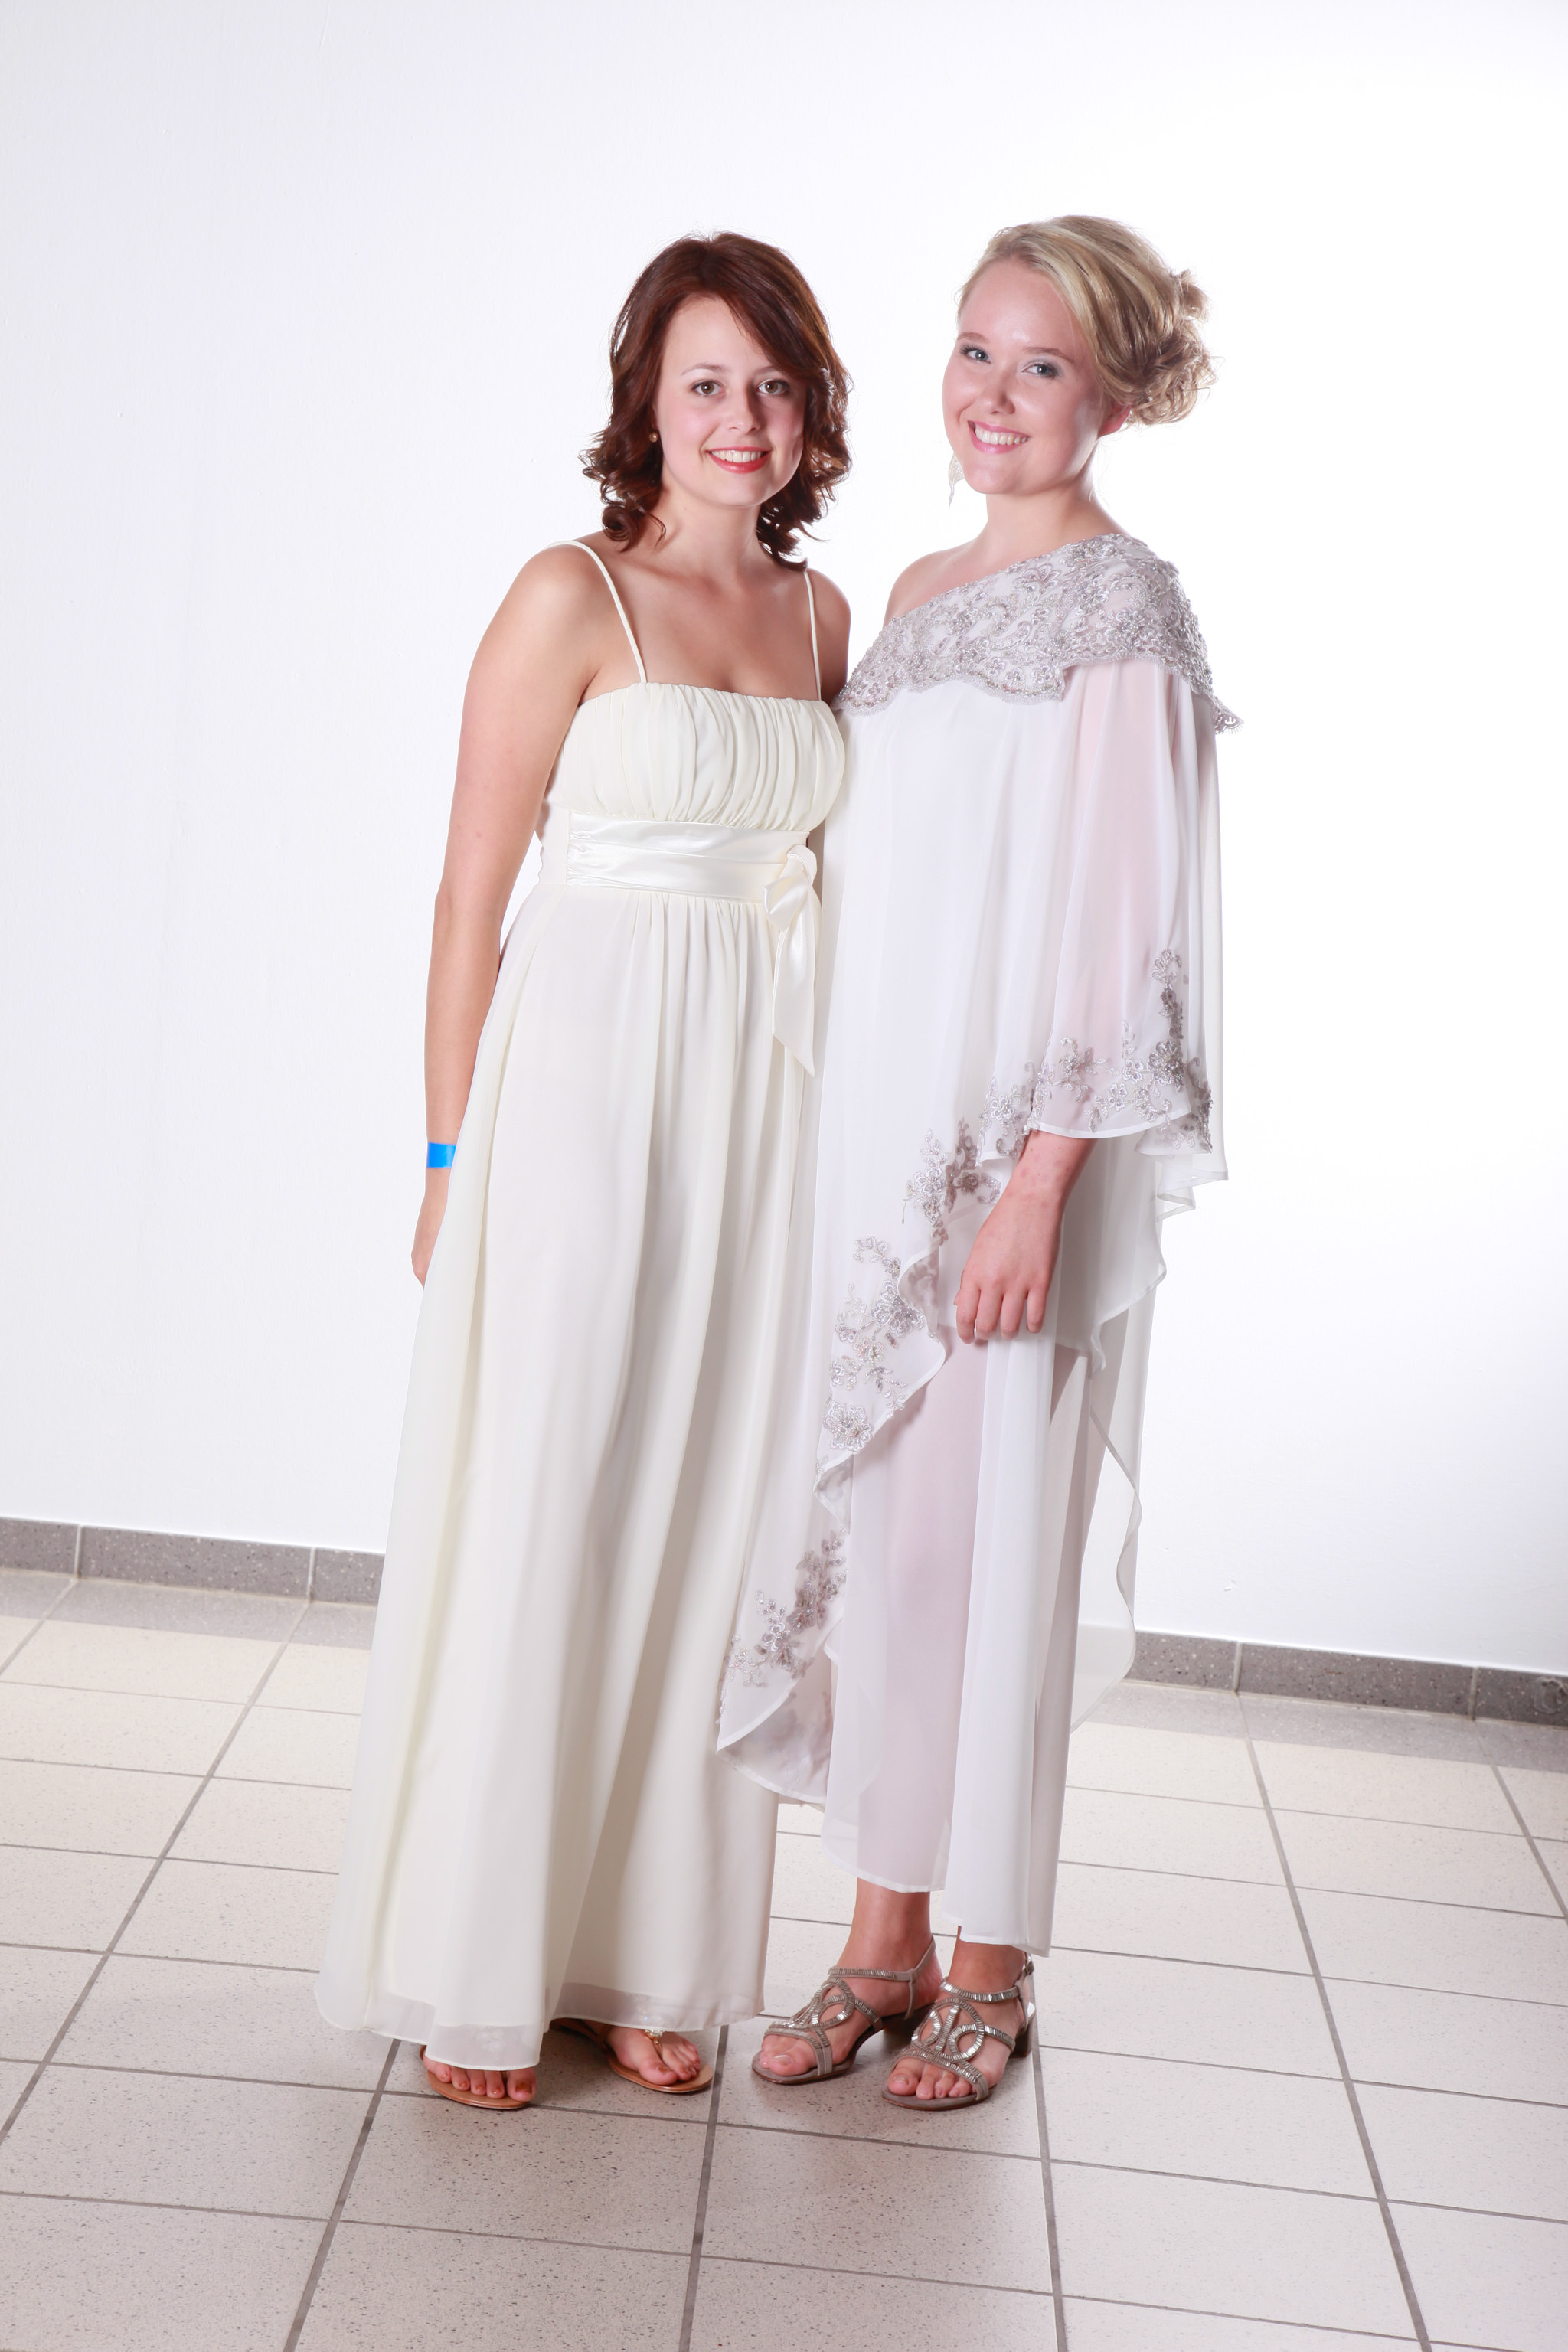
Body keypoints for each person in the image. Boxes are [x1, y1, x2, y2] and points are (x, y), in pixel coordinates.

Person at [316, 234, 851, 2110]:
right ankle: (478, 1958)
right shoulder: (571, 595)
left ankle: (649, 1958)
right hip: (576, 1094)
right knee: (556, 1491)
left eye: (772, 385)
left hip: (757, 1116)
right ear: (647, 402)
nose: (739, 418)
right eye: (706, 383)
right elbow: (467, 897)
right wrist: (444, 1152)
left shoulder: (822, 619)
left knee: (712, 1511)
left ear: (811, 414)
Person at [729, 216, 1233, 2105]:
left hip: (1011, 1171)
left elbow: (1126, 935)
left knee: (997, 1542)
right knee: (889, 1543)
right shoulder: (916, 590)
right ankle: (879, 1939)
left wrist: (1036, 1187)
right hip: (873, 1152)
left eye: (1039, 365)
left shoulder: (1125, 611)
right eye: (971, 351)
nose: (992, 395)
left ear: (1113, 397)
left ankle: (993, 1962)